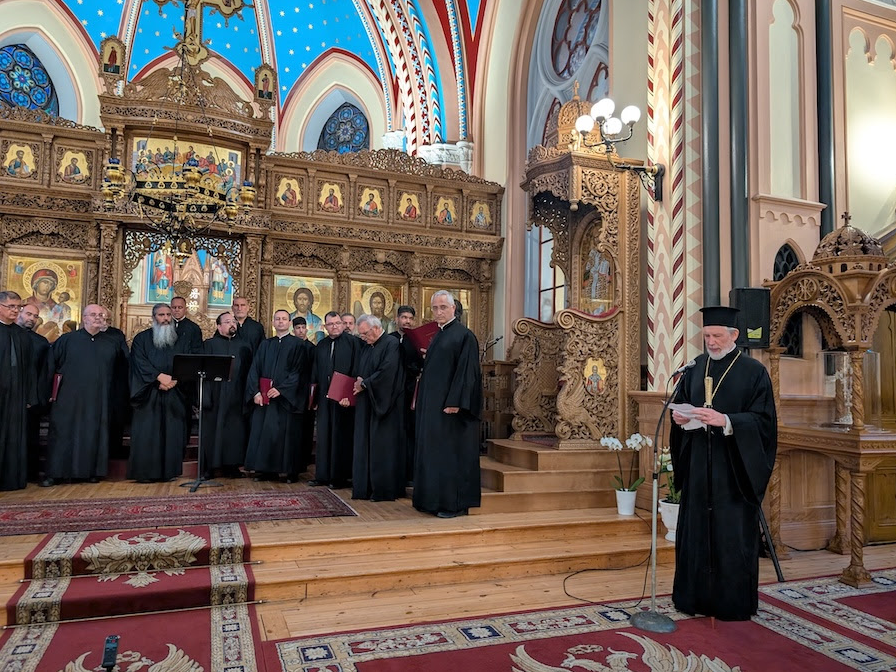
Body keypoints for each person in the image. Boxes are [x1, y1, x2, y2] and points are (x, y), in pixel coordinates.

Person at [670, 305, 777, 621]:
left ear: (734, 335)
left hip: (733, 470)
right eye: (706, 336)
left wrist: (727, 420)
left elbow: (764, 422)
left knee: (729, 535)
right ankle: (692, 598)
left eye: (717, 336)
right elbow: (681, 404)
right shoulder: (694, 368)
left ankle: (731, 603)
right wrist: (681, 418)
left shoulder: (753, 372)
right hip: (699, 467)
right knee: (696, 532)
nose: (711, 342)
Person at [413, 290, 482, 517]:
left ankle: (454, 505)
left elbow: (467, 373)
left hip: (451, 409)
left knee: (450, 455)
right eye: (435, 308)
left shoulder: (464, 335)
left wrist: (456, 402)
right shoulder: (439, 334)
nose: (439, 311)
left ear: (453, 308)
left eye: (443, 307)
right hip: (433, 407)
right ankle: (431, 501)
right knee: (434, 454)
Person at [43, 305, 129, 486]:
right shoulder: (67, 340)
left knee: (93, 434)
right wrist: (48, 393)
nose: (98, 317)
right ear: (84, 318)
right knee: (63, 434)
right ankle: (55, 474)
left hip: (99, 398)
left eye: (101, 315)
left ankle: (91, 472)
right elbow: (51, 367)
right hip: (68, 398)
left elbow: (120, 372)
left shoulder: (111, 343)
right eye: (93, 314)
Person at [128, 303, 192, 483]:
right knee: (148, 434)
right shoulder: (141, 339)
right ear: (153, 317)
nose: (165, 318)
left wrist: (173, 380)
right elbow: (139, 362)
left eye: (168, 315)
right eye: (161, 315)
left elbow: (186, 361)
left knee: (172, 433)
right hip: (149, 393)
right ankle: (145, 473)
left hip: (174, 393)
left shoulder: (180, 339)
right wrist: (158, 378)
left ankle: (168, 472)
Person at [244, 310, 306, 481]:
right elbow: (254, 369)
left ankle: (289, 472)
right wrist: (256, 391)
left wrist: (282, 389)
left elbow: (299, 372)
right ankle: (265, 470)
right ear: (272, 322)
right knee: (266, 434)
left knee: (287, 436)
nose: (280, 321)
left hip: (286, 400)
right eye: (277, 319)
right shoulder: (265, 344)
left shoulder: (297, 345)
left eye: (284, 319)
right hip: (265, 399)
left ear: (289, 323)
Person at [352, 315, 405, 501]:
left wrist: (365, 384)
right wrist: (360, 380)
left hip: (385, 405)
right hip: (367, 402)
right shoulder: (368, 346)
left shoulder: (391, 344)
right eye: (361, 335)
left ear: (375, 328)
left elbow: (387, 373)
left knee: (382, 447)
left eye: (365, 334)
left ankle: (382, 489)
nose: (363, 338)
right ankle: (365, 488)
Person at [310, 311, 360, 487]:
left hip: (343, 399)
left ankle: (340, 478)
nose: (335, 327)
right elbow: (315, 371)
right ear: (325, 327)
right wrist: (314, 398)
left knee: (341, 436)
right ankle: (322, 476)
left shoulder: (353, 343)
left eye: (338, 323)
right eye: (331, 324)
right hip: (324, 398)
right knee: (324, 436)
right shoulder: (321, 345)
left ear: (342, 324)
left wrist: (349, 396)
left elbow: (356, 370)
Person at [201, 312, 253, 478]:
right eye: (228, 322)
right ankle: (209, 468)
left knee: (234, 431)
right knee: (213, 430)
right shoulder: (209, 344)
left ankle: (232, 467)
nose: (232, 324)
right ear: (219, 326)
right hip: (215, 394)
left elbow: (249, 372)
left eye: (234, 322)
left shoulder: (244, 346)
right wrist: (205, 397)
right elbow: (202, 372)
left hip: (237, 393)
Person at [0, 291, 35, 491]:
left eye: (18, 307)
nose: (15, 310)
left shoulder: (21, 334)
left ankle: (11, 479)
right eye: (11, 306)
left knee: (14, 435)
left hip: (17, 393)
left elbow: (29, 368)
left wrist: (29, 394)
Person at [16, 302, 51, 481]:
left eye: (36, 316)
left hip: (31, 400)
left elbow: (44, 374)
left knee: (29, 438)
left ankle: (29, 474)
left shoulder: (41, 342)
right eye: (29, 314)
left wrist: (36, 398)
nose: (32, 319)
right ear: (19, 312)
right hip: (7, 397)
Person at [390, 305, 423, 483]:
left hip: (410, 392)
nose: (407, 321)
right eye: (404, 317)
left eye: (410, 318)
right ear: (397, 319)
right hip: (391, 393)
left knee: (410, 430)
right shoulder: (389, 339)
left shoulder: (417, 341)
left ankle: (409, 473)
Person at [292, 316, 316, 474]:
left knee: (306, 427)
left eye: (303, 327)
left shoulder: (312, 348)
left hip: (307, 392)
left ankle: (305, 460)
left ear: (306, 329)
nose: (301, 331)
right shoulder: (290, 345)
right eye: (297, 328)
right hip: (292, 392)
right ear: (293, 330)